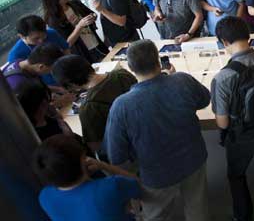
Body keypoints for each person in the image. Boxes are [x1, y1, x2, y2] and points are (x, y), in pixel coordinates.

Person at [105, 40, 211, 221]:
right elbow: (204, 100)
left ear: (130, 67)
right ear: (157, 60)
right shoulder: (182, 80)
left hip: (155, 174)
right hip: (193, 159)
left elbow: (116, 155)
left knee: (157, 215)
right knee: (198, 208)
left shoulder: (122, 105)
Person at [211, 16, 254, 221]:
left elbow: (222, 122)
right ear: (249, 36)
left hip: (241, 134)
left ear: (224, 42)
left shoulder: (223, 77)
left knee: (236, 174)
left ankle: (243, 215)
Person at [33, 134, 140, 221]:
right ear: (83, 161)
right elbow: (139, 184)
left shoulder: (44, 197)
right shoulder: (111, 186)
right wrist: (103, 165)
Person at [52, 54, 136, 153]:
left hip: (130, 149)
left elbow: (96, 147)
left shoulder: (89, 107)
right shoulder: (122, 74)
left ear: (71, 84)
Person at [40, 0, 108, 64]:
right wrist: (79, 26)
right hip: (83, 53)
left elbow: (92, 13)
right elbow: (67, 43)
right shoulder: (53, 20)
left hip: (97, 44)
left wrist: (92, 17)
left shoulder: (74, 3)